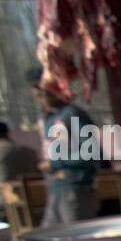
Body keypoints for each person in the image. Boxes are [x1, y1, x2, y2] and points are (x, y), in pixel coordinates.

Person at [26, 67, 101, 226]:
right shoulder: (46, 118)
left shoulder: (72, 114)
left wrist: (56, 164)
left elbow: (92, 153)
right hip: (54, 188)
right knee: (50, 236)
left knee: (78, 239)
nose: (42, 95)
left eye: (47, 89)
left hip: (76, 188)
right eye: (38, 91)